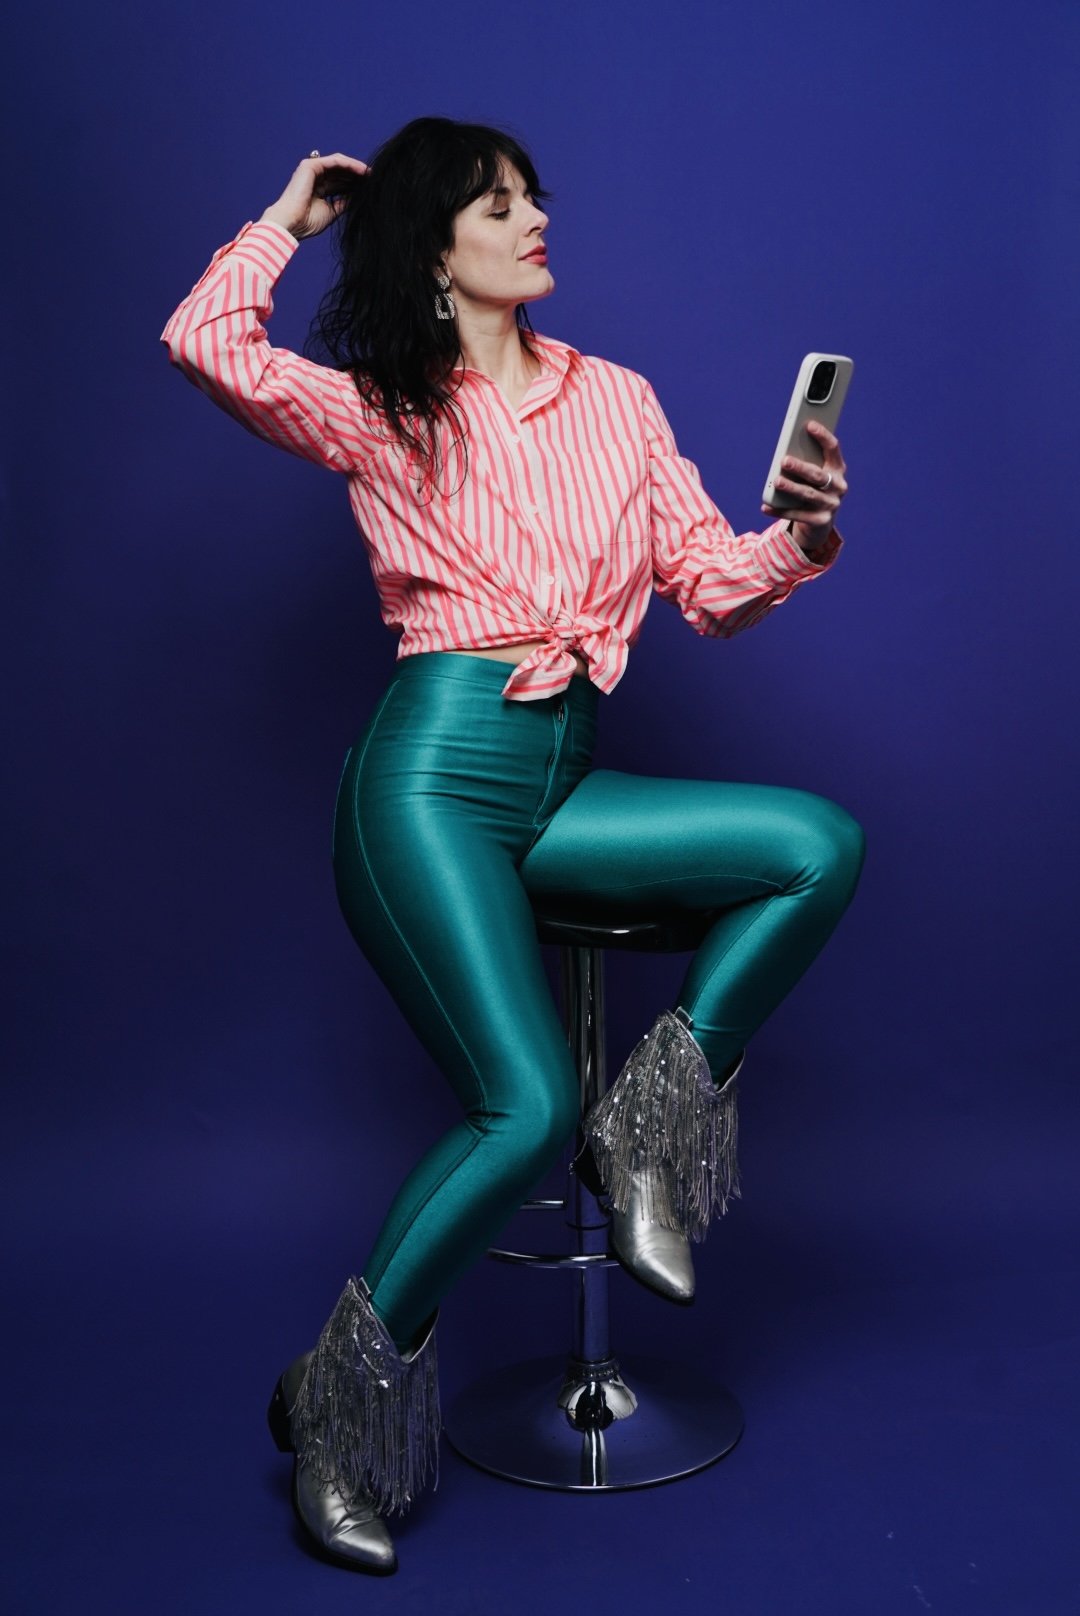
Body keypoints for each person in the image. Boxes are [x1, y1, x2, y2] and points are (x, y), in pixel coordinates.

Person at [159, 115, 865, 1575]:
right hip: (427, 785)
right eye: (496, 204)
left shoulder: (620, 402)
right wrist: (287, 224)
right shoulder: (382, 406)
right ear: (436, 249)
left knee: (814, 844)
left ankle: (651, 1130)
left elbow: (711, 589)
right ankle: (342, 1418)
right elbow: (206, 343)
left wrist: (794, 537)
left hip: (562, 777)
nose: (533, 218)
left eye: (535, 195)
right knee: (520, 1102)